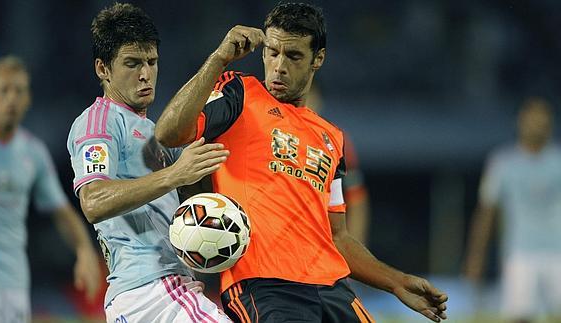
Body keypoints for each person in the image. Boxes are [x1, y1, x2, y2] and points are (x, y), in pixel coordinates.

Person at [155, 3, 448, 322]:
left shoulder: (332, 138)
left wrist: (396, 282)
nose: (279, 66)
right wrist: (218, 58)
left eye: (293, 56)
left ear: (317, 59)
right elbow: (169, 133)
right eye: (272, 52)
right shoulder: (240, 94)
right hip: (265, 285)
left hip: (333, 288)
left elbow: (339, 238)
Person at [66, 3, 232, 322]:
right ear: (103, 69)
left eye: (151, 62)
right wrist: (173, 175)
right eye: (132, 63)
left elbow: (192, 188)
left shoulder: (151, 130)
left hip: (152, 293)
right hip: (153, 290)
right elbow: (93, 201)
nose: (145, 74)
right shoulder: (98, 123)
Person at [0, 55, 101, 322]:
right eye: (3, 90)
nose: (11, 99)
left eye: (19, 91)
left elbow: (60, 210)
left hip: (14, 281)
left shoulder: (32, 152)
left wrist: (84, 251)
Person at [464, 98, 561, 323]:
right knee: (519, 316)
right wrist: (475, 256)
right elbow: (487, 211)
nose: (537, 126)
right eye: (532, 121)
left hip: (558, 251)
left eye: (542, 121)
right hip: (520, 252)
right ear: (520, 123)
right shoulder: (503, 162)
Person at [307, 83, 371, 244]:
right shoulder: (273, 133)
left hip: (322, 246)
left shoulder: (336, 140)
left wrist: (355, 248)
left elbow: (356, 196)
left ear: (319, 101)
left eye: (310, 97)